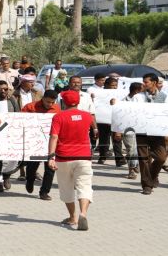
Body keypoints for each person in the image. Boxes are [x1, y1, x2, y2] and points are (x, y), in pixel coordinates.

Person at [48, 90, 93, 231]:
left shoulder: (58, 117)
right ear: (78, 101)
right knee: (84, 186)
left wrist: (51, 157)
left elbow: (54, 137)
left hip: (64, 157)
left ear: (63, 102)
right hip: (84, 156)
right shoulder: (87, 116)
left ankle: (72, 217)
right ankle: (83, 213)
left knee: (66, 187)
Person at [21, 90, 61, 200]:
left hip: (50, 143)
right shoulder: (30, 107)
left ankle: (44, 192)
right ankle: (30, 181)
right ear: (43, 98)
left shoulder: (57, 109)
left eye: (52, 102)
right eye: (48, 102)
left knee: (50, 168)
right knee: (32, 166)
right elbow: (19, 121)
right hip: (34, 142)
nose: (50, 104)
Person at [134, 73, 168, 195]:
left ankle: (152, 177)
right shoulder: (138, 97)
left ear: (154, 82)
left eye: (146, 82)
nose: (144, 84)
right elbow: (130, 109)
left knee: (161, 157)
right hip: (142, 131)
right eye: (143, 82)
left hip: (157, 132)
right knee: (144, 160)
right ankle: (147, 185)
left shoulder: (164, 97)